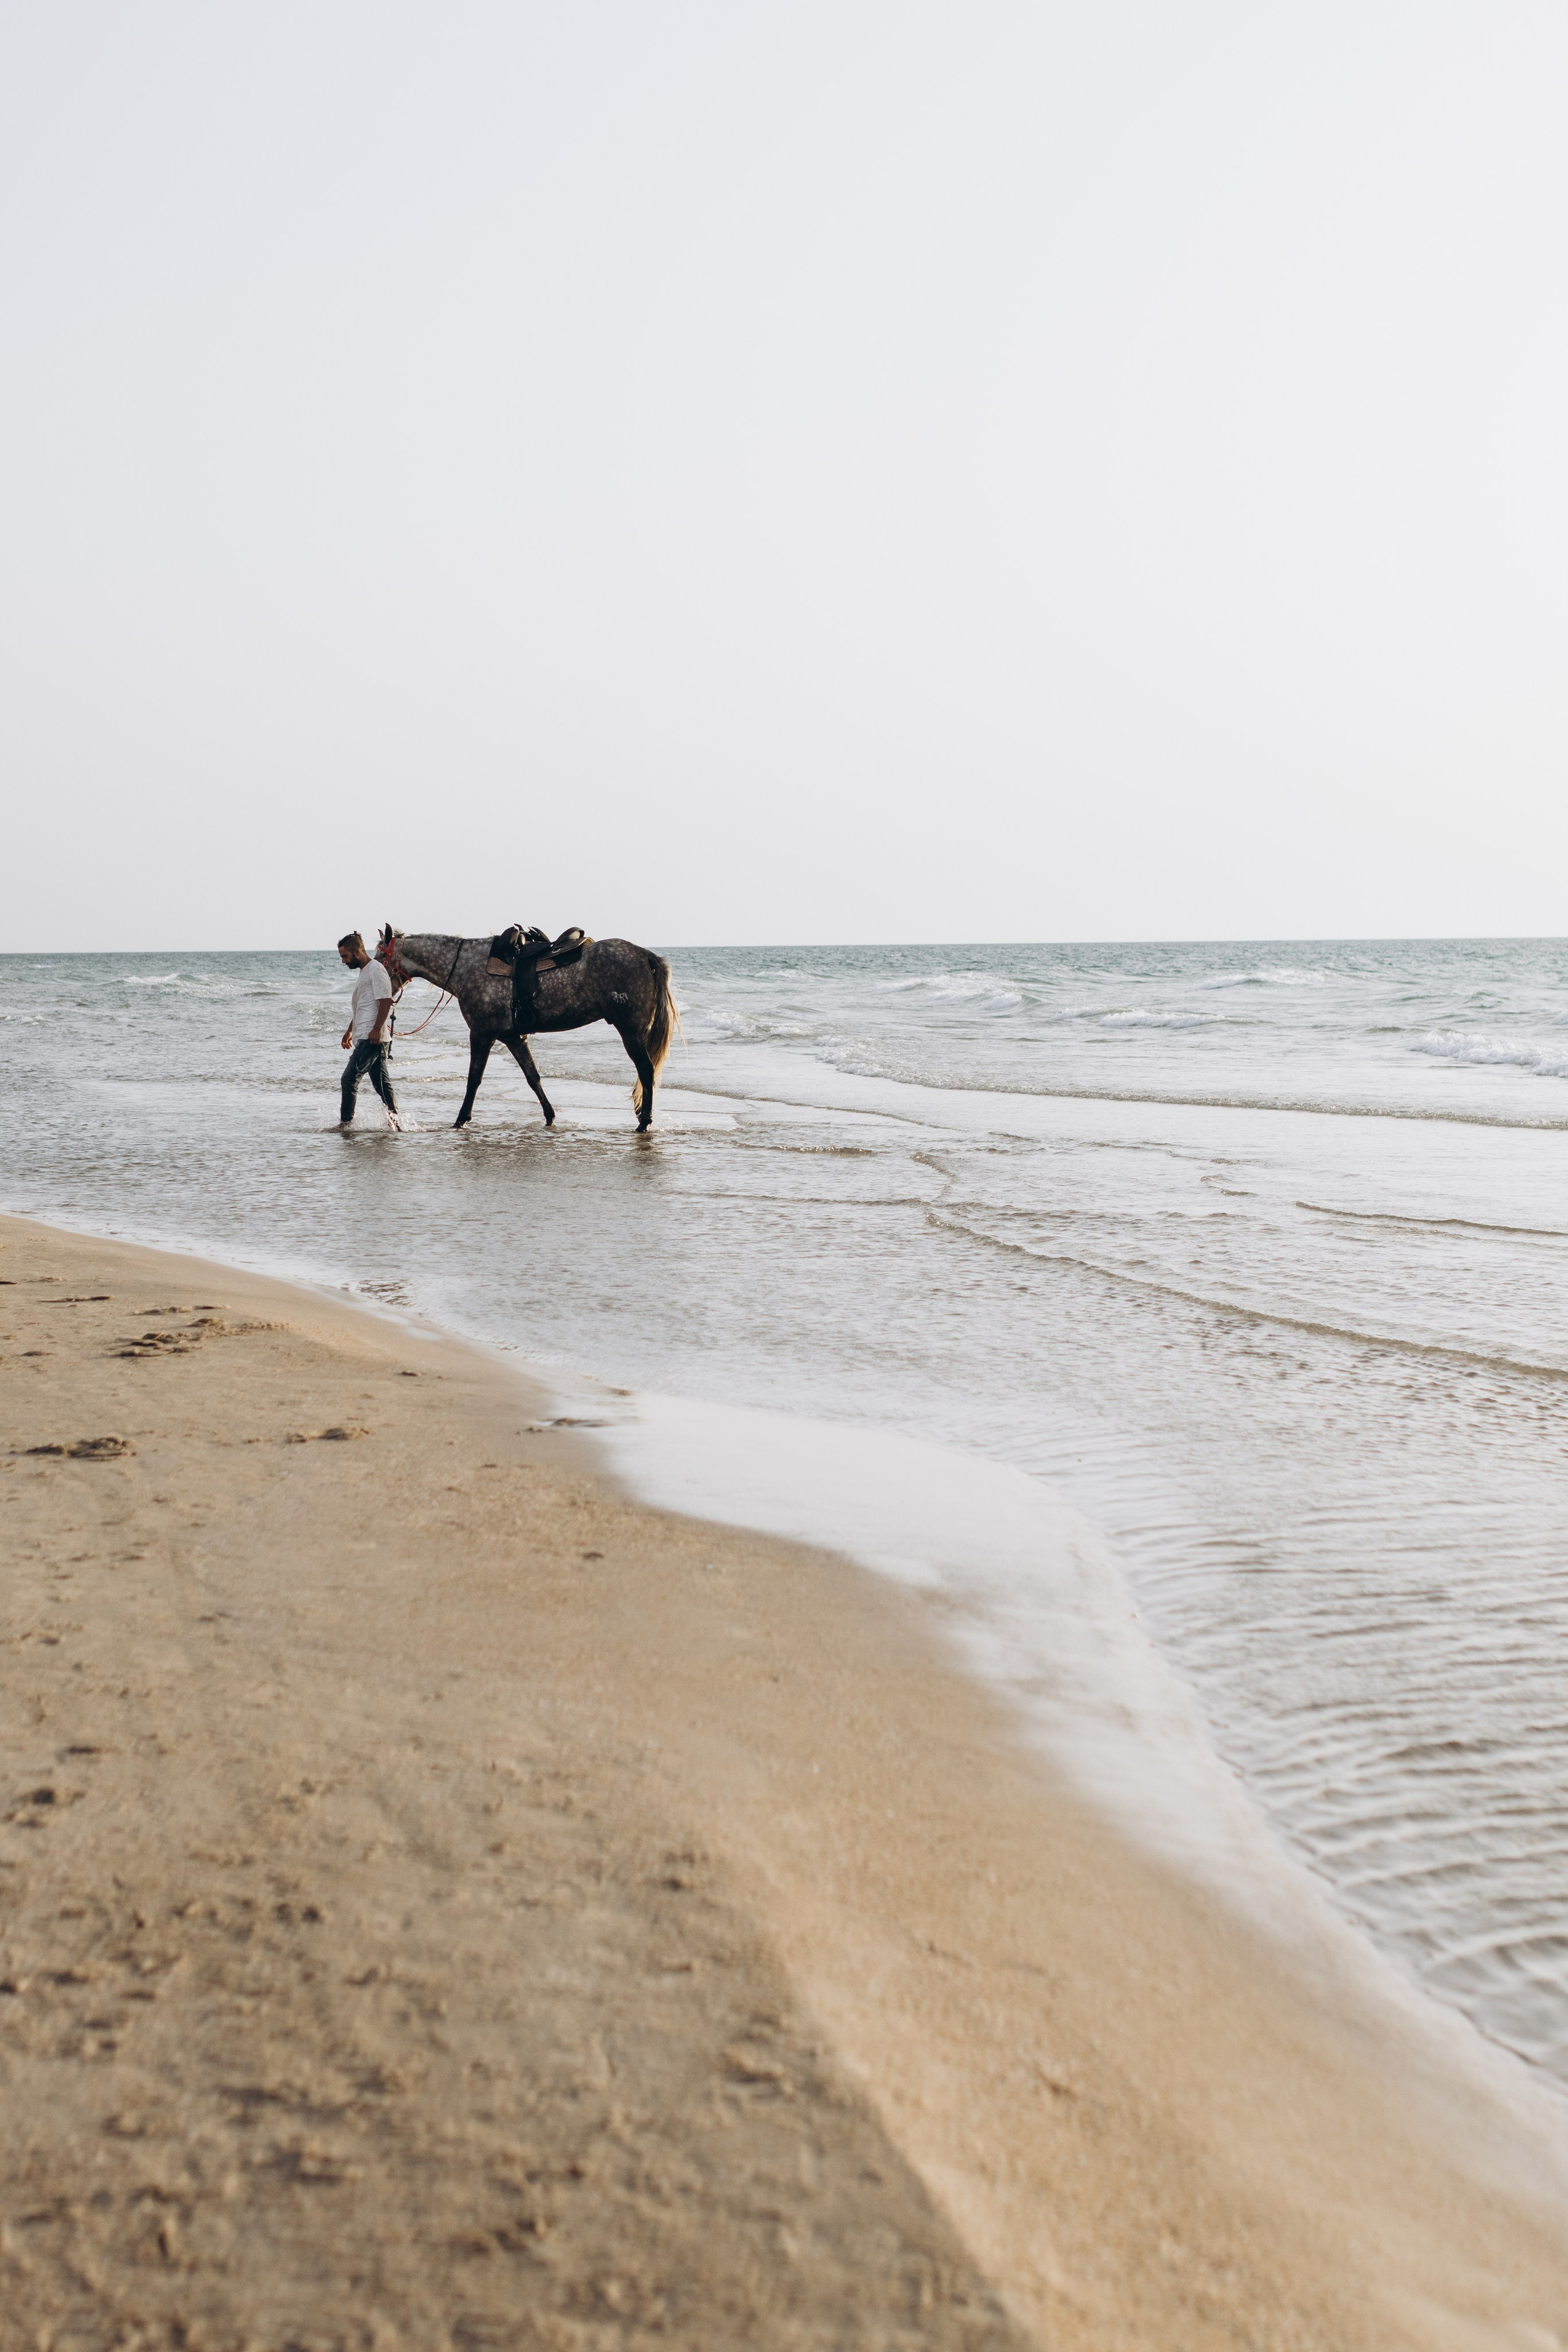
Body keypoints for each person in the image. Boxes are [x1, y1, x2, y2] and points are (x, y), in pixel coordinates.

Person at [336, 930, 401, 1129]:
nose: (343, 961)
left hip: (372, 1038)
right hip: (368, 1036)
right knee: (382, 1085)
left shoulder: (376, 969)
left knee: (348, 1080)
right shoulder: (365, 972)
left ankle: (346, 1125)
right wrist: (349, 1031)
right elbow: (363, 1008)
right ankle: (396, 1123)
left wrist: (376, 1029)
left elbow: (385, 1001)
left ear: (357, 951)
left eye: (345, 956)